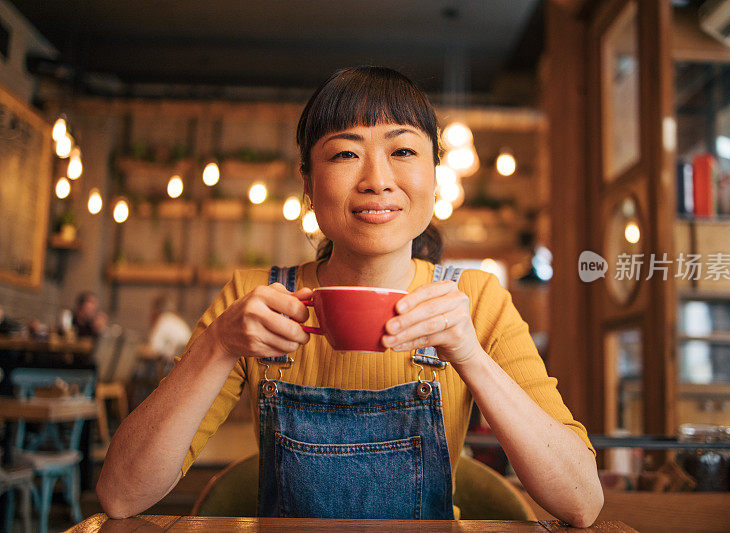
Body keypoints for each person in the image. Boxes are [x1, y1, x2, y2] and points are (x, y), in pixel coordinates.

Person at [97, 66, 603, 525]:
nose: (377, 181)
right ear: (309, 184)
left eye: (403, 151)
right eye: (345, 154)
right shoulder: (256, 298)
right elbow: (121, 495)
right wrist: (218, 346)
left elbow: (581, 502)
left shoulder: (475, 298)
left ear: (434, 174)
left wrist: (468, 354)